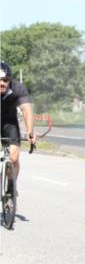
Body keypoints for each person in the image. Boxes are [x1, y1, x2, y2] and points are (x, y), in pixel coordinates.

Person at [0, 61, 37, 191]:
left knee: (14, 157)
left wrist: (30, 133)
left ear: (10, 80)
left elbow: (27, 111)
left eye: (5, 80)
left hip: (10, 122)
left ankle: (11, 186)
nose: (2, 83)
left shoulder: (17, 88)